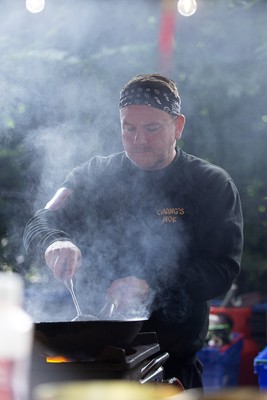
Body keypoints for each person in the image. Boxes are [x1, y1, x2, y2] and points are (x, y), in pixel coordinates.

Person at [23, 73, 243, 389]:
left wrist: (152, 285)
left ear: (177, 126)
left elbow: (222, 270)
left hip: (172, 365)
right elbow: (41, 219)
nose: (139, 140)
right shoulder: (92, 175)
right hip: (91, 364)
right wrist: (54, 241)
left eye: (151, 128)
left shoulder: (211, 184)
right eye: (129, 128)